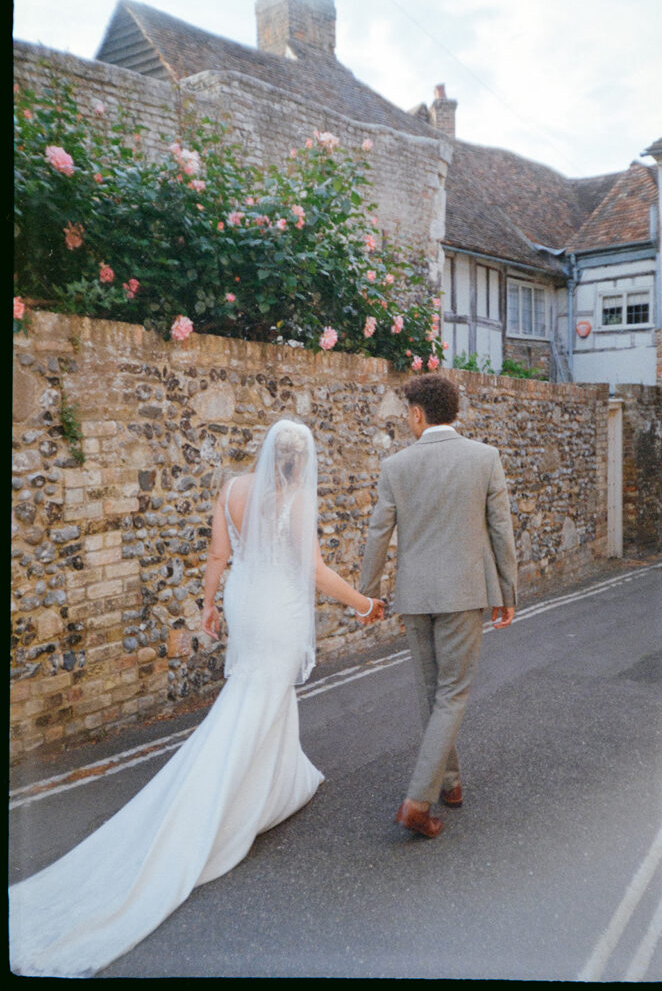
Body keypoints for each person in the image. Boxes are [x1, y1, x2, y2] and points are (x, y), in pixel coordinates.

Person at [10, 419, 383, 977]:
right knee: (256, 698)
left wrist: (208, 606)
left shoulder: (233, 489)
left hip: (244, 599)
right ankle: (217, 807)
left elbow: (216, 556)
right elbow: (313, 569)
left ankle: (279, 783)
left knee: (260, 694)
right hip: (277, 608)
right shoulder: (298, 499)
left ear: (265, 453)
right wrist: (361, 603)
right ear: (301, 459)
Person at [359, 374, 517, 838]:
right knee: (451, 693)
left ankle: (449, 783)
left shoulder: (396, 466)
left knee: (432, 693)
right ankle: (417, 800)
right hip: (465, 593)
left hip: (414, 596)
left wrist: (369, 594)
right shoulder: (485, 458)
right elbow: (501, 532)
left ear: (417, 414)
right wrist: (507, 594)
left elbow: (377, 534)